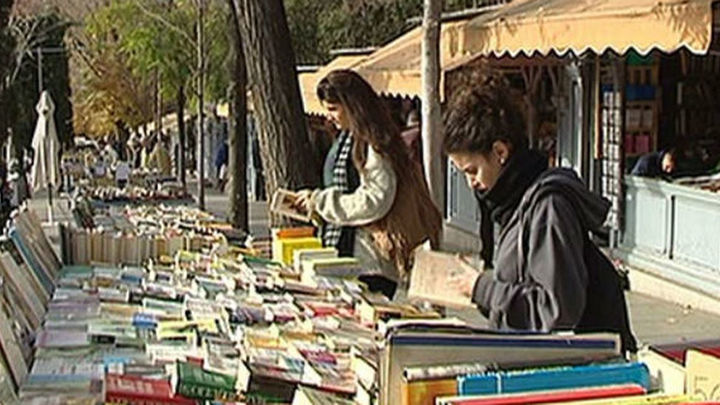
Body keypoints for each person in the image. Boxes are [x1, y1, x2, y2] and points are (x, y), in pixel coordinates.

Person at [443, 77, 637, 354]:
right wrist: (479, 290)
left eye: (472, 171)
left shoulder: (548, 208)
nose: (471, 183)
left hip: (580, 367)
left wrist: (483, 289)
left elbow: (556, 312)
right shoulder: (514, 205)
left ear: (500, 152)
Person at [293, 70, 442, 299]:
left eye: (333, 109)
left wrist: (321, 202)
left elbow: (375, 199)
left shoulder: (374, 142)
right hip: (353, 255)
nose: (329, 117)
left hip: (369, 262)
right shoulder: (350, 138)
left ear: (351, 106)